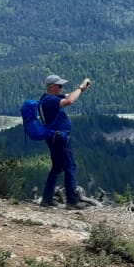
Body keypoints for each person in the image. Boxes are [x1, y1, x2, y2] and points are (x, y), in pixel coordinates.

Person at [39, 73, 94, 208]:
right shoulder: (50, 100)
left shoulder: (48, 98)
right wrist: (81, 88)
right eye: (59, 85)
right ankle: (72, 201)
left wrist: (80, 89)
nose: (62, 88)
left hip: (55, 138)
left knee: (57, 168)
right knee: (70, 166)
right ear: (52, 87)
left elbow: (68, 95)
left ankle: (46, 199)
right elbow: (69, 101)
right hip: (60, 139)